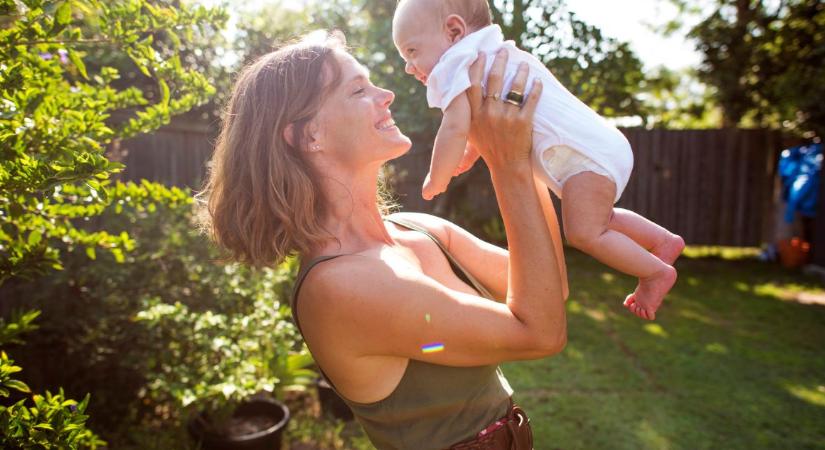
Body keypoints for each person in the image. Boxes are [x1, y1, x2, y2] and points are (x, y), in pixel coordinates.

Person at [199, 31, 567, 450]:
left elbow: (549, 290)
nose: (387, 93)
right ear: (309, 136)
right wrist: (508, 163)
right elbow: (541, 333)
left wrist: (526, 153)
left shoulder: (419, 230)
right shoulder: (340, 286)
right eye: (358, 89)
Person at [392, 0, 685, 320]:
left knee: (585, 232)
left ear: (453, 31)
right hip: (597, 146)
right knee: (603, 220)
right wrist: (472, 152)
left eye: (411, 50)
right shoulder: (492, 54)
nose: (408, 66)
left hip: (582, 156)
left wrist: (438, 176)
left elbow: (455, 125)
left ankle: (655, 273)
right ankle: (663, 240)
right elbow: (484, 119)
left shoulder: (456, 62)